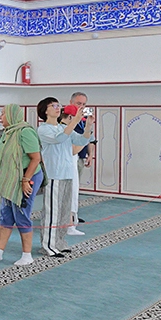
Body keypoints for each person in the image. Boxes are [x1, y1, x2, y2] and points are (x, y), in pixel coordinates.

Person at [0, 104, 44, 266]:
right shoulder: (7, 132)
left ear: (12, 115)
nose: (0, 117)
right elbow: (4, 152)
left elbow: (35, 158)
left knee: (21, 213)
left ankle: (27, 255)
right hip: (10, 179)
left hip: (27, 176)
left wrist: (25, 181)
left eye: (3, 114)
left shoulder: (25, 132)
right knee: (6, 214)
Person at [36, 99, 94, 257]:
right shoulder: (43, 129)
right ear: (45, 111)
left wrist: (88, 126)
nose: (57, 108)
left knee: (63, 211)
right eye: (53, 106)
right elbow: (60, 138)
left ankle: (59, 242)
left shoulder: (63, 127)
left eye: (58, 106)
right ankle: (48, 244)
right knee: (51, 212)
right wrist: (75, 120)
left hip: (68, 173)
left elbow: (81, 140)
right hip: (54, 175)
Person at [68, 92, 96, 232]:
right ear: (71, 102)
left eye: (84, 104)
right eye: (78, 103)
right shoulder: (66, 118)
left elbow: (91, 138)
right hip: (68, 158)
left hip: (79, 157)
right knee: (68, 189)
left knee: (75, 187)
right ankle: (68, 219)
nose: (81, 106)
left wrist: (90, 155)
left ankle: (74, 216)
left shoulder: (84, 120)